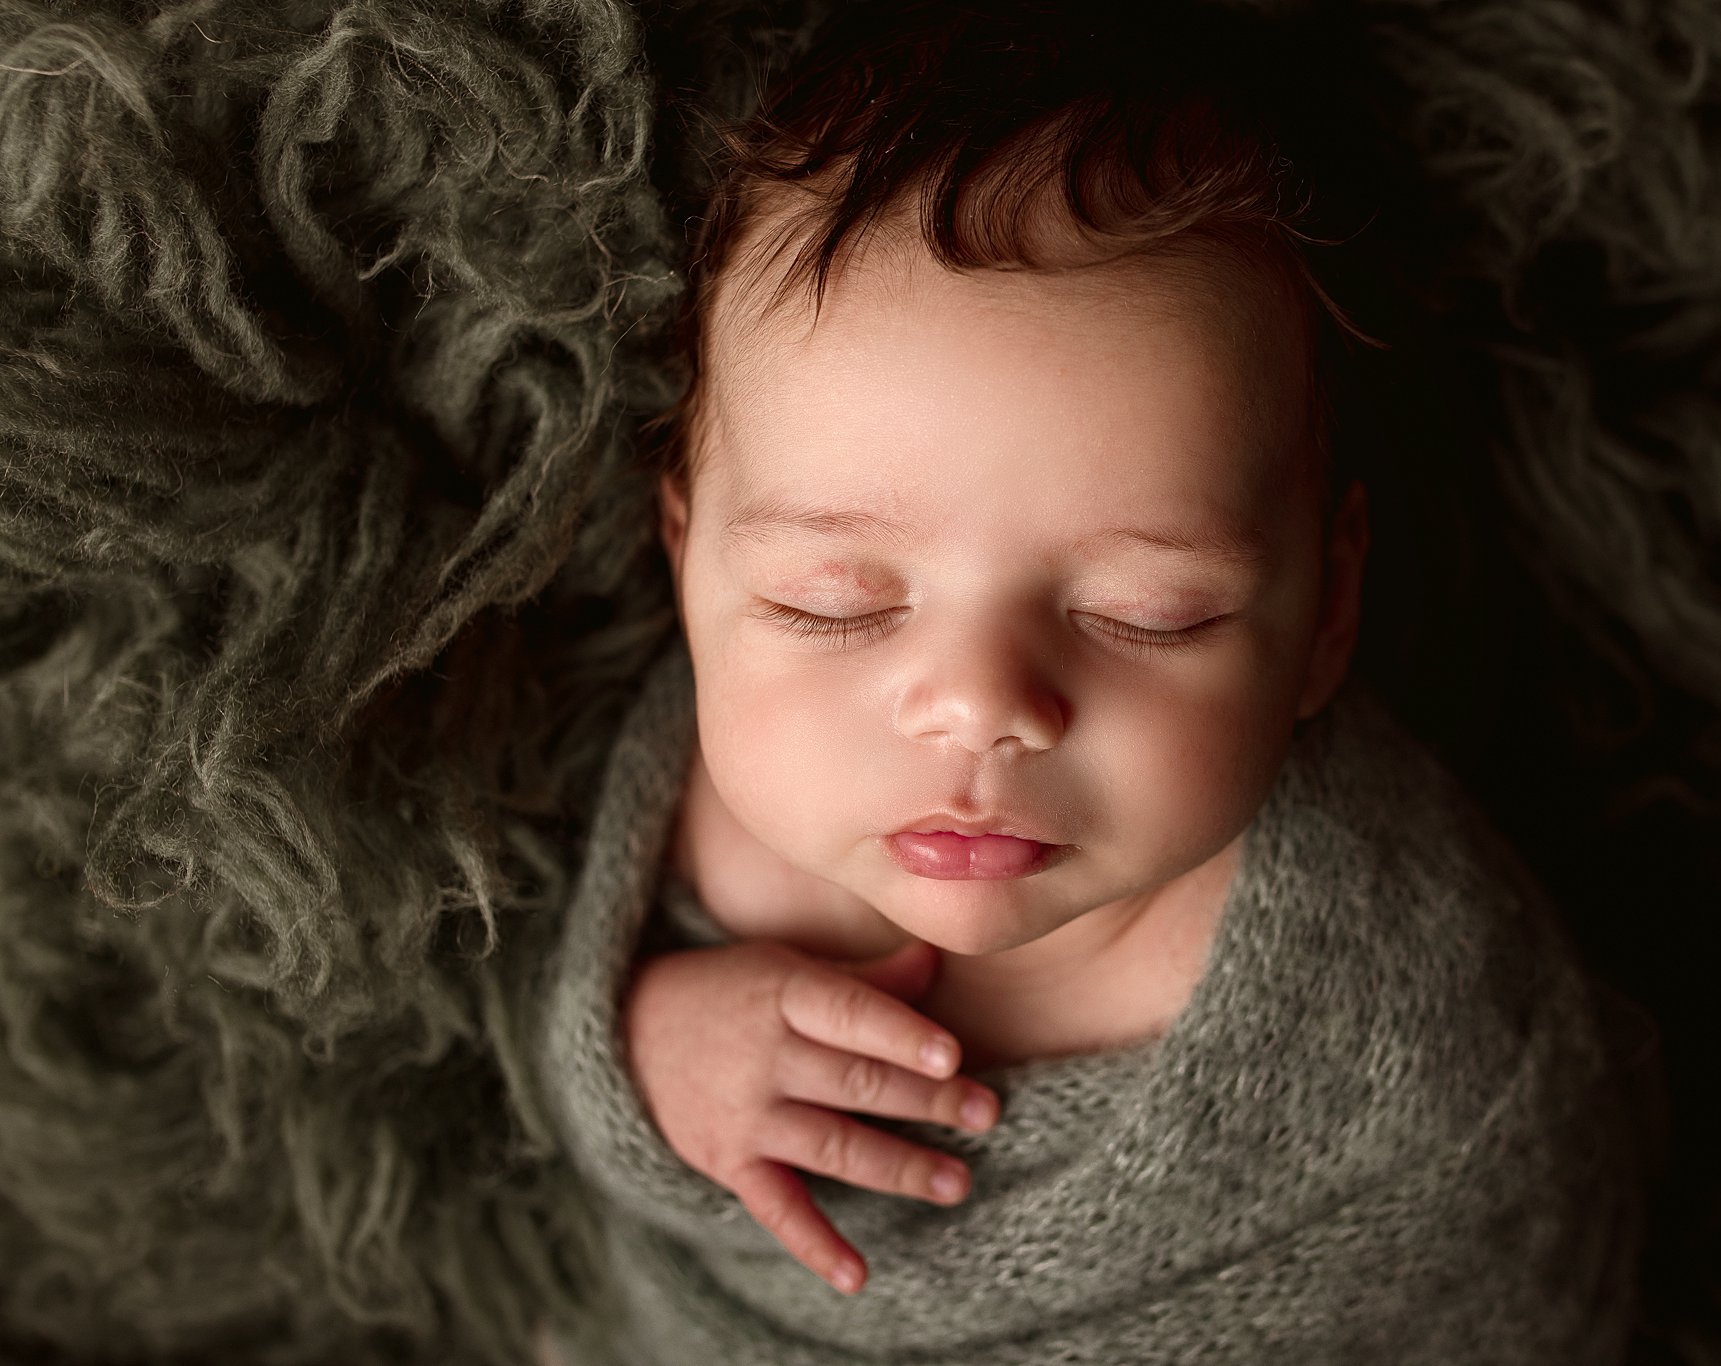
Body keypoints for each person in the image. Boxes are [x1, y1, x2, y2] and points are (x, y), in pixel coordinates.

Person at [533, 2, 1652, 1360]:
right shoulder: (705, 794)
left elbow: (1512, 1266)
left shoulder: (1419, 1016)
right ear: (688, 562)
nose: (980, 702)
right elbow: (592, 1095)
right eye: (834, 604)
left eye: (1148, 613)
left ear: (1327, 613)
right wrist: (656, 1051)